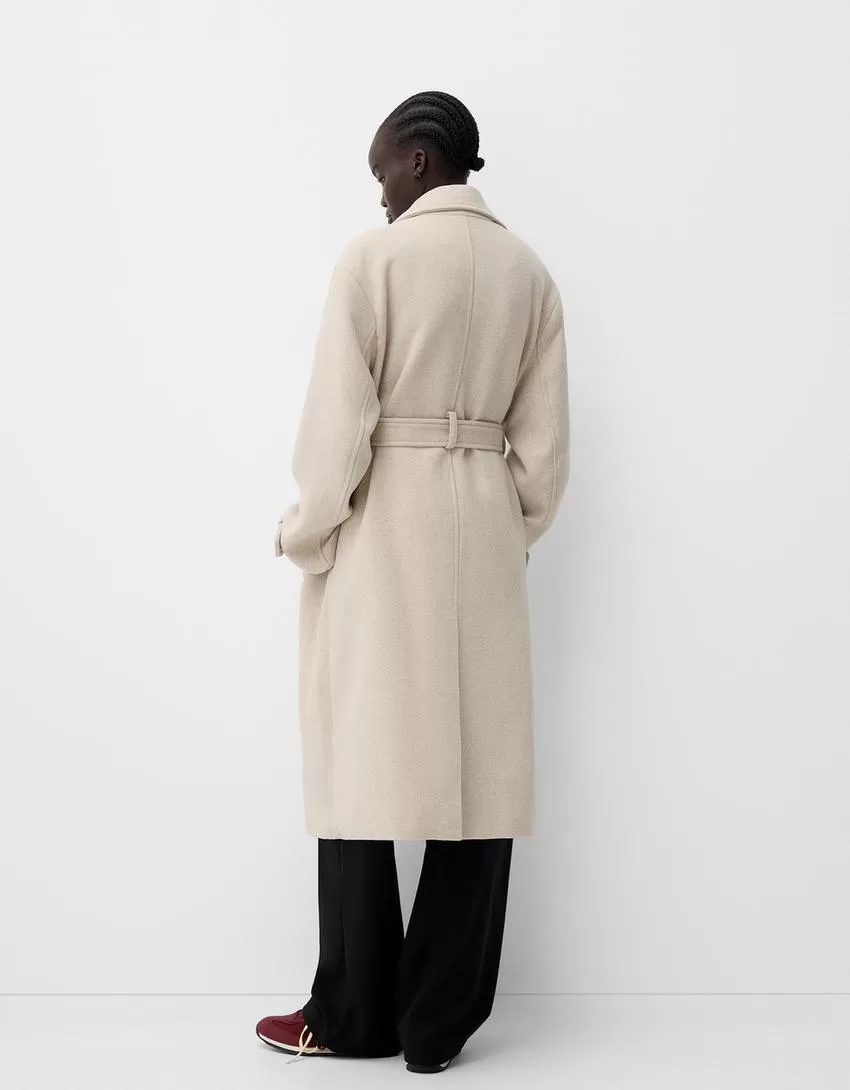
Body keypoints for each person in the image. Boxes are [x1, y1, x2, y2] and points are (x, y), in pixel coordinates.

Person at [256, 90, 570, 1074]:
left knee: (356, 766)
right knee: (479, 777)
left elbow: (336, 425)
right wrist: (505, 528)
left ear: (422, 159)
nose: (381, 189)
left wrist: (306, 530)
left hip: (382, 526)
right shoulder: (529, 275)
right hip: (483, 528)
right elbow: (546, 457)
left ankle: (353, 1012)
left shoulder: (375, 260)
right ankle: (438, 1023)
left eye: (383, 168)